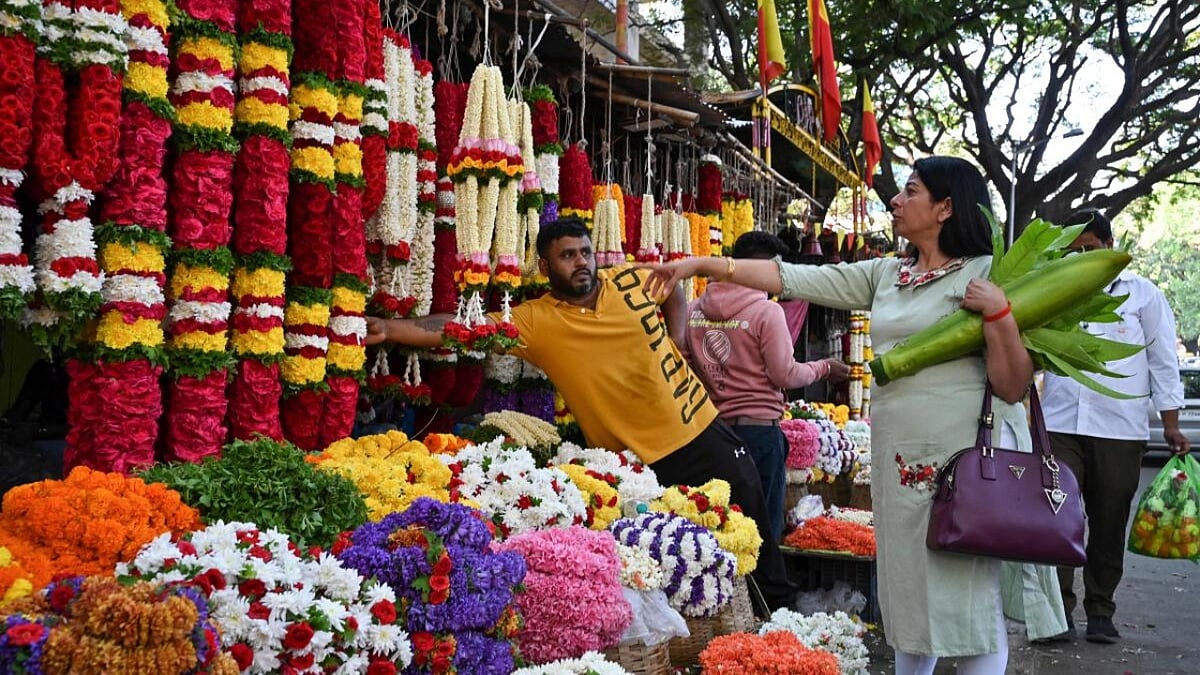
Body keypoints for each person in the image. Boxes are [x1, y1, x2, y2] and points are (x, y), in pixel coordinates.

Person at [644, 156, 1033, 675]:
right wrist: (701, 266)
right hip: (899, 462)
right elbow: (793, 276)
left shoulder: (987, 274)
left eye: (910, 192)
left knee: (966, 601)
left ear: (945, 207)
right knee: (908, 592)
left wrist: (1000, 313)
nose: (895, 201)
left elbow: (1012, 385)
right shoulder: (888, 275)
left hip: (960, 466)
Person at [365, 216, 798, 612]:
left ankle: (779, 625)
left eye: (585, 252)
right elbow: (460, 326)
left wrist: (679, 337)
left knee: (755, 541)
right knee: (675, 568)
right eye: (567, 256)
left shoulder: (629, 279)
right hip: (639, 467)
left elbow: (675, 288)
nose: (581, 263)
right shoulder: (537, 322)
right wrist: (390, 330)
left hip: (703, 432)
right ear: (545, 266)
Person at [1041, 208, 1191, 644]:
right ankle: (1058, 614)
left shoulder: (1143, 295)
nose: (1079, 258)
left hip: (1120, 430)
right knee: (1060, 518)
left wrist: (1171, 425)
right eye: (1071, 252)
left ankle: (1101, 610)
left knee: (1108, 522)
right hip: (1061, 423)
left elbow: (1163, 362)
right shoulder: (1054, 294)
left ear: (1108, 247)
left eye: (1087, 249)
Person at [683, 230, 849, 541]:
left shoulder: (694, 310)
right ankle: (765, 589)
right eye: (778, 272)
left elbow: (684, 368)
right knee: (761, 533)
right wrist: (824, 367)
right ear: (765, 269)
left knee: (718, 526)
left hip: (711, 433)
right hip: (757, 434)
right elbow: (784, 374)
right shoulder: (767, 311)